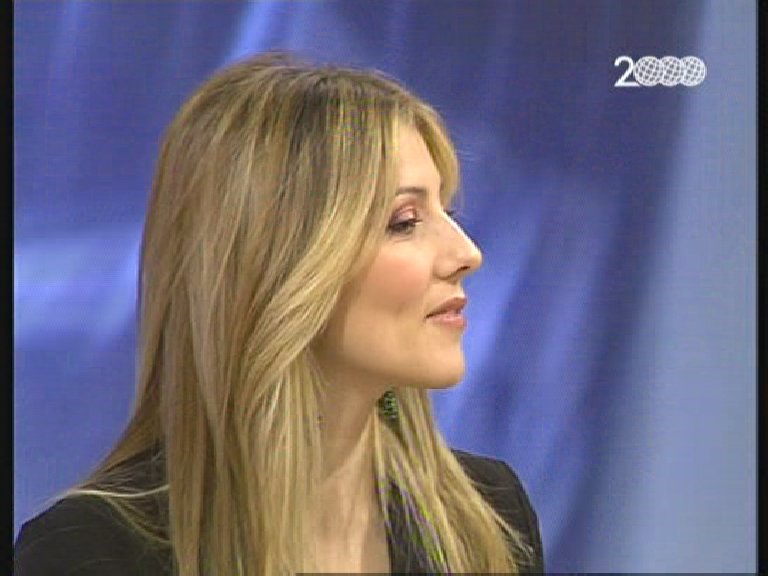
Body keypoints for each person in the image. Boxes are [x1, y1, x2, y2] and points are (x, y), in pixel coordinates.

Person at [15, 52, 544, 575]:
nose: (467, 253)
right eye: (404, 221)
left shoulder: (490, 519)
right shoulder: (90, 552)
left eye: (446, 211)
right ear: (280, 263)